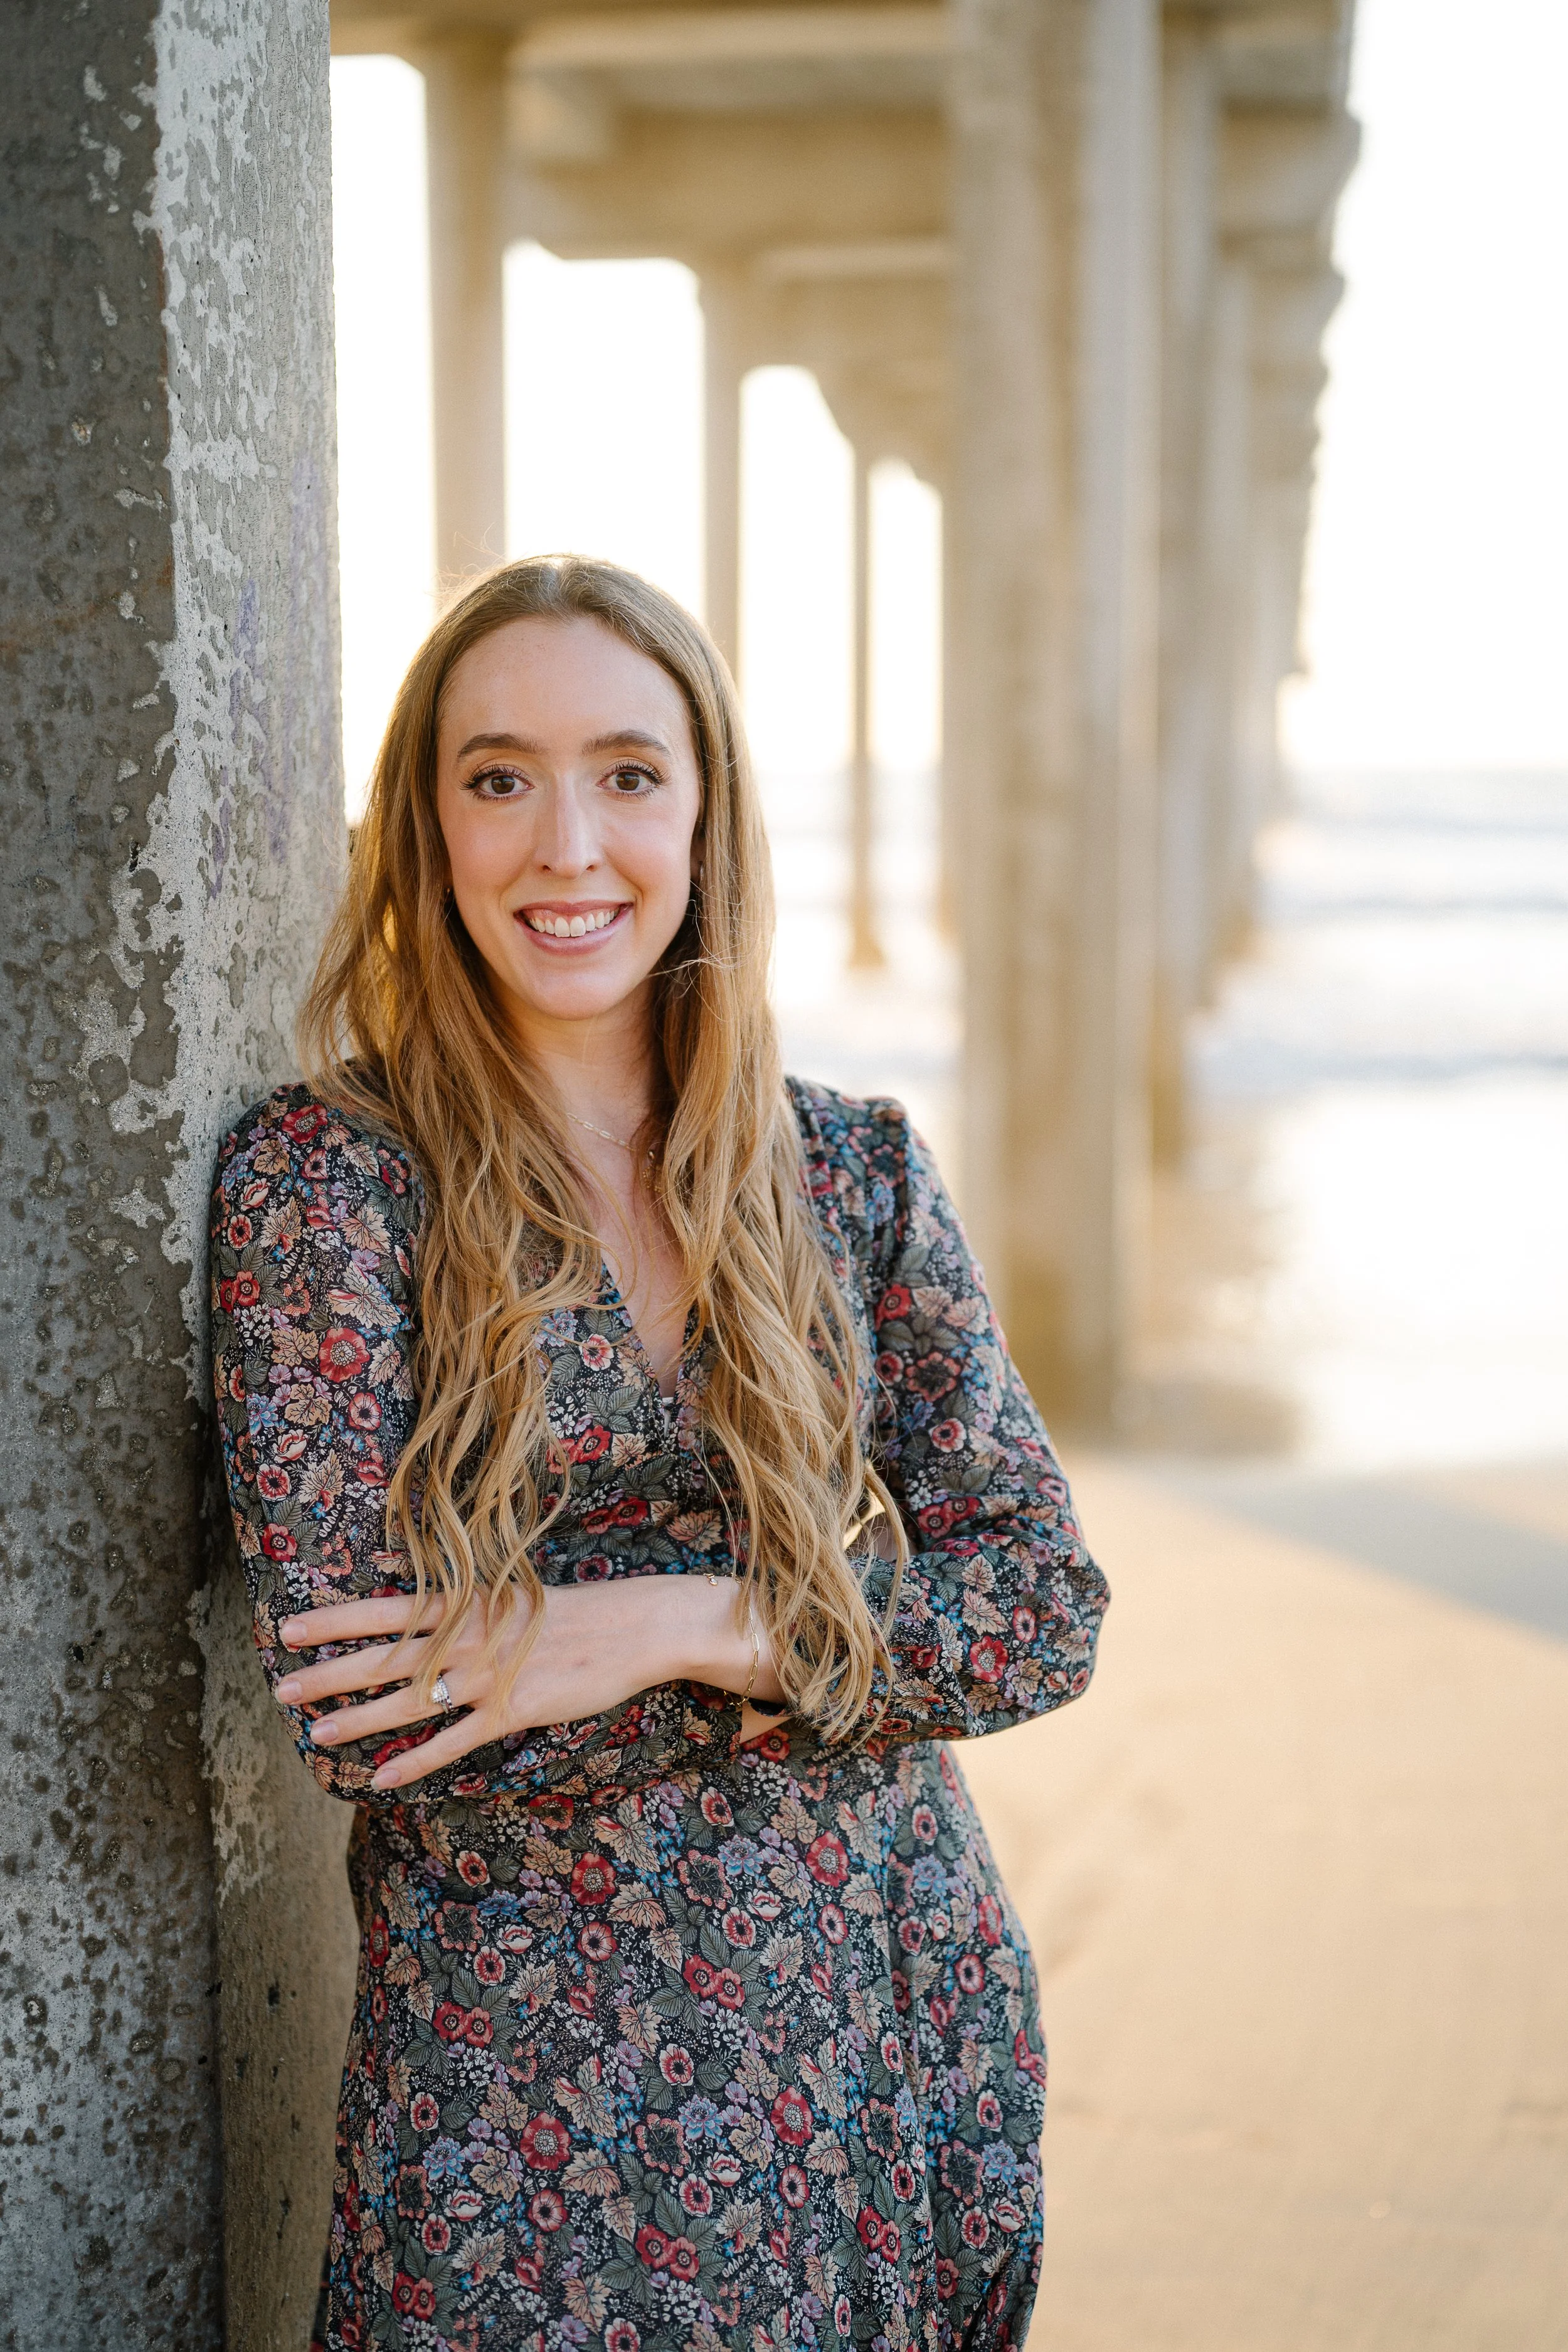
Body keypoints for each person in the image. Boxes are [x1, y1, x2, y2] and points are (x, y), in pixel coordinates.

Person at [209, 556, 1108, 2352]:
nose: (567, 844)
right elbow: (379, 1713)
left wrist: (675, 1620)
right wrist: (852, 1654)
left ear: (703, 812)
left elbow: (1039, 1611)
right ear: (422, 824)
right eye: (497, 775)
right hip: (527, 2099)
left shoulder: (848, 1170)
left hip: (883, 2038)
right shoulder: (328, 1185)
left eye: (627, 770)